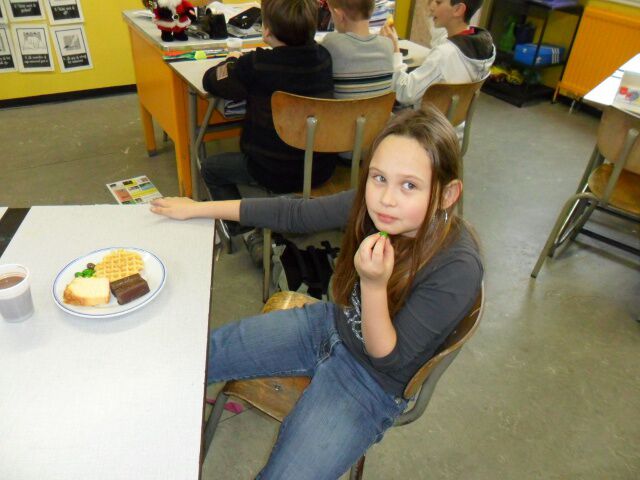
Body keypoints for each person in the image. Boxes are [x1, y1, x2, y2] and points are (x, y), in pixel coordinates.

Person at [150, 107, 483, 479]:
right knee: (202, 354)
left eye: (410, 186)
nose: (386, 199)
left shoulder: (457, 268)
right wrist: (201, 209)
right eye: (379, 178)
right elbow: (296, 214)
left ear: (447, 194)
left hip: (372, 382)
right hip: (330, 325)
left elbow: (388, 359)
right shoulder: (377, 206)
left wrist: (373, 285)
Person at [200, 0, 336, 222]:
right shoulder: (324, 58)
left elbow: (211, 81)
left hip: (271, 170)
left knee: (210, 168)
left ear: (267, 30)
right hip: (319, 169)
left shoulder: (255, 64)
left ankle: (242, 228)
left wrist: (231, 61)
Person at [381, 0, 495, 108]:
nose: (431, 6)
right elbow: (440, 38)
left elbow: (405, 94)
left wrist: (394, 50)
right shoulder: (481, 45)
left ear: (458, 9)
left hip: (428, 120)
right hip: (452, 118)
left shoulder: (444, 55)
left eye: (438, 2)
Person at [321, 0, 394, 99]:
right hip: (380, 109)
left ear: (339, 15)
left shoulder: (331, 42)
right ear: (372, 10)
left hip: (344, 109)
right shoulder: (388, 44)